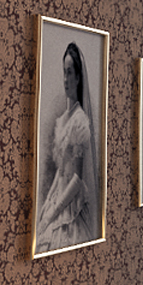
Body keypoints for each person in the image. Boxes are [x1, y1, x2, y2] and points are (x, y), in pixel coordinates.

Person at [36, 42, 97, 251]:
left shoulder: (79, 121)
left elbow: (77, 179)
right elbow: (61, 171)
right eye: (64, 72)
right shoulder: (61, 121)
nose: (65, 79)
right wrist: (47, 206)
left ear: (78, 78)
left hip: (71, 205)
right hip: (56, 196)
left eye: (70, 73)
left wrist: (54, 212)